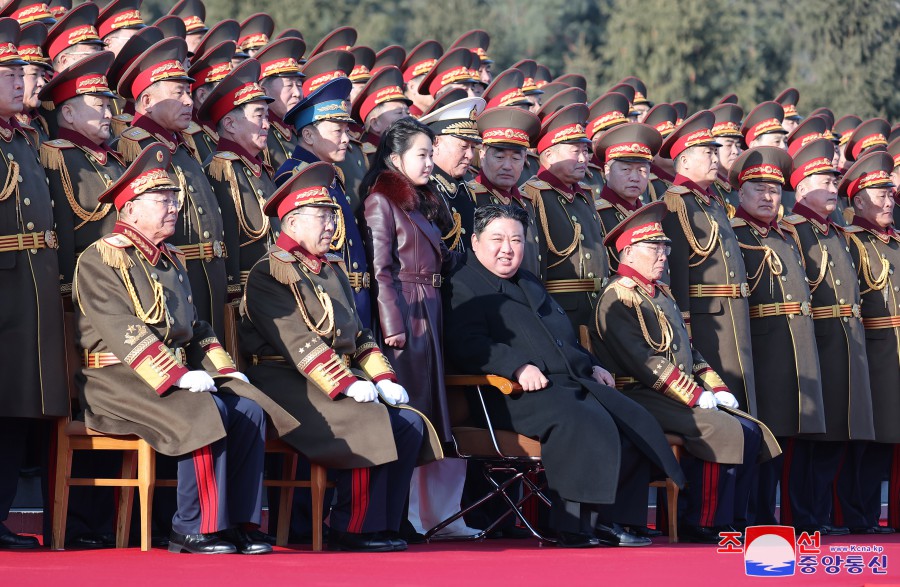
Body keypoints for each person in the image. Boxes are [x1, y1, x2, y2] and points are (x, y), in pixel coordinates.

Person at [73, 142, 298, 554]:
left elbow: (194, 329)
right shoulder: (101, 259)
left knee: (247, 408)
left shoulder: (170, 258)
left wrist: (223, 368)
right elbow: (123, 330)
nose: (173, 205)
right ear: (130, 209)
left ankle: (238, 523)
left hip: (163, 377)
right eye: (162, 199)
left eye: (175, 196)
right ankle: (193, 526)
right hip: (116, 380)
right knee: (202, 408)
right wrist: (177, 375)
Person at [444, 204, 685, 547]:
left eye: (516, 240)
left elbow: (560, 335)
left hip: (564, 381)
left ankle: (617, 519)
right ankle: (575, 525)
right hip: (507, 393)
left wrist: (591, 363)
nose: (508, 249)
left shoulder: (526, 280)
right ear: (476, 241)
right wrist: (515, 366)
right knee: (583, 419)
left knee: (629, 418)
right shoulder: (463, 283)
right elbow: (466, 344)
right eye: (497, 239)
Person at [240, 161, 440, 552]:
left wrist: (383, 377)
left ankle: (384, 521)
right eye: (322, 217)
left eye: (333, 216)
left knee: (409, 424)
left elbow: (358, 334)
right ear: (292, 223)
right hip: (285, 380)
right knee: (366, 418)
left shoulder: (328, 268)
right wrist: (347, 383)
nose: (331, 226)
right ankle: (353, 526)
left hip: (325, 377)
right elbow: (297, 341)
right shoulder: (270, 272)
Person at [593, 201, 776, 543]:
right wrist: (694, 394)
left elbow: (688, 351)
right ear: (628, 253)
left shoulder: (660, 294)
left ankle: (732, 517)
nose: (663, 255)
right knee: (718, 427)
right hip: (637, 393)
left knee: (750, 429)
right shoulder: (617, 297)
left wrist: (716, 386)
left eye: (665, 247)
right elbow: (643, 361)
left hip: (668, 392)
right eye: (654, 248)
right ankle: (702, 520)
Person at [360, 117, 471, 538]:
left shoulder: (420, 201)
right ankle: (394, 514)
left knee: (423, 413)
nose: (429, 163)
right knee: (406, 413)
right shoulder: (381, 202)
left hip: (429, 307)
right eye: (421, 155)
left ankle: (403, 515)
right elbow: (380, 269)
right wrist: (391, 323)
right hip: (405, 313)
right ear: (394, 159)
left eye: (430, 153)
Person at [780, 138, 875, 535]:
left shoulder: (835, 231)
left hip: (845, 341)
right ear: (801, 188)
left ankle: (817, 516)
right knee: (810, 438)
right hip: (815, 341)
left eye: (833, 181)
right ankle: (804, 518)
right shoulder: (793, 230)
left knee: (836, 433)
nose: (832, 187)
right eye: (822, 180)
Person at [728, 147, 826, 525]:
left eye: (774, 190)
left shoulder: (785, 235)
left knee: (793, 436)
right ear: (741, 193)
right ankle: (757, 516)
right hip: (763, 345)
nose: (768, 197)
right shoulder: (734, 233)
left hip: (797, 345)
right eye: (758, 189)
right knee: (765, 436)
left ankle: (792, 517)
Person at [115, 36, 233, 339]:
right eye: (178, 93)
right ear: (147, 101)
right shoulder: (133, 147)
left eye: (189, 93)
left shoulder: (182, 146)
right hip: (168, 277)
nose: (189, 102)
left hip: (208, 275)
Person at [0, 17, 67, 549]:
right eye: (9, 76)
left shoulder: (23, 137)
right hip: (5, 288)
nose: (22, 84)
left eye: (23, 75)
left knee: (18, 404)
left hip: (31, 290)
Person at [659, 111, 757, 414]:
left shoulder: (711, 199)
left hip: (732, 315)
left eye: (716, 152)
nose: (715, 158)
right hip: (706, 319)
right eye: (707, 152)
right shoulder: (677, 200)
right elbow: (676, 269)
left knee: (741, 397)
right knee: (719, 399)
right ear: (685, 161)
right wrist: (684, 321)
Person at [276, 77, 373, 327]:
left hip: (351, 297)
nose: (346, 139)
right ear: (308, 134)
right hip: (326, 299)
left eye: (346, 131)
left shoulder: (329, 174)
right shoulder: (295, 176)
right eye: (337, 131)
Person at [838, 151, 899, 534]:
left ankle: (867, 515)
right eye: (880, 195)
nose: (889, 201)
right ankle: (856, 516)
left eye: (890, 194)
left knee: (887, 439)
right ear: (859, 200)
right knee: (865, 440)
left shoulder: (894, 241)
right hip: (873, 351)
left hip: (893, 352)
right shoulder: (852, 242)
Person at [41, 51, 125, 298]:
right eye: (99, 107)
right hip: (90, 283)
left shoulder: (114, 157)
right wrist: (67, 290)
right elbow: (63, 231)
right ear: (68, 114)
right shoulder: (58, 157)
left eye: (109, 106)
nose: (109, 115)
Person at [521, 103, 610, 330]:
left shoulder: (584, 195)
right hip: (560, 310)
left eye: (585, 151)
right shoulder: (534, 194)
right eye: (575, 151)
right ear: (549, 155)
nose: (583, 159)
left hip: (597, 307)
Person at [199, 58, 278, 298]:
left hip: (275, 289)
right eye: (259, 116)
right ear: (231, 124)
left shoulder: (259, 168)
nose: (267, 124)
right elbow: (228, 242)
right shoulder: (221, 168)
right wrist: (233, 298)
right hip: (248, 294)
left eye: (267, 116)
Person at [469, 106, 542, 277]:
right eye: (500, 157)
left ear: (525, 159)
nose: (507, 166)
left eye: (516, 158)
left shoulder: (526, 201)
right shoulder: (469, 196)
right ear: (483, 155)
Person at [419, 95, 486, 254]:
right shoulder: (424, 190)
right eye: (463, 146)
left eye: (472, 147)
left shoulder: (465, 188)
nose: (470, 155)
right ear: (435, 143)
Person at [593, 122, 663, 269]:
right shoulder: (597, 215)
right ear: (607, 170)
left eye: (642, 170)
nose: (635, 177)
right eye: (626, 169)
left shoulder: (650, 215)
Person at [255, 36, 305, 173]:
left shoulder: (299, 131)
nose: (297, 93)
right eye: (289, 85)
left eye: (299, 85)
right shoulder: (258, 132)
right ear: (264, 91)